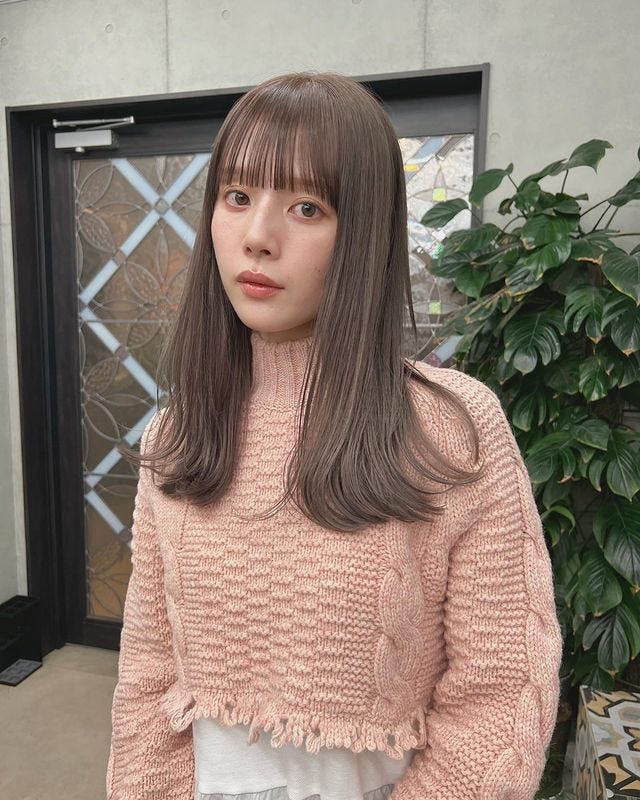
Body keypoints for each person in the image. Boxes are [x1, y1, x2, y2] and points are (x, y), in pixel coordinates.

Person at [106, 70, 563, 800]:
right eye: (237, 196)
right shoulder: (178, 433)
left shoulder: (452, 428)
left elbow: (501, 691)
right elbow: (149, 677)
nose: (258, 237)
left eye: (307, 207)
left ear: (366, 231)